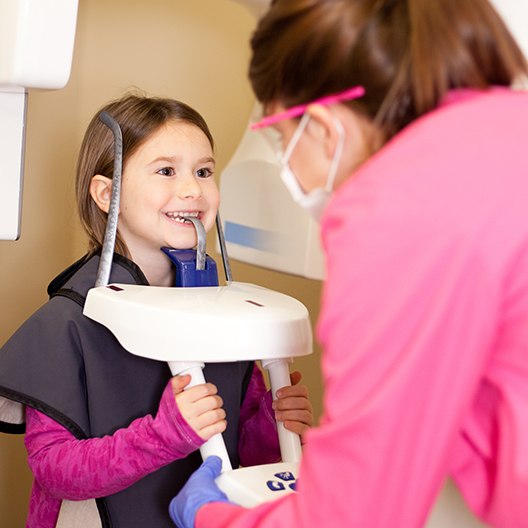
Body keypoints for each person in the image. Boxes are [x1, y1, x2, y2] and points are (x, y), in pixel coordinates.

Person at [168, 0, 528, 526]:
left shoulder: (398, 212)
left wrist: (209, 517)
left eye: (277, 139)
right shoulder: (506, 126)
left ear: (321, 125)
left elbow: (356, 516)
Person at [0, 92, 313, 528]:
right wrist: (165, 435)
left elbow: (238, 454)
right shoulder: (66, 324)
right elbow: (56, 471)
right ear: (107, 194)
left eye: (204, 171)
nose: (192, 189)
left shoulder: (227, 320)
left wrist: (271, 425)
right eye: (166, 170)